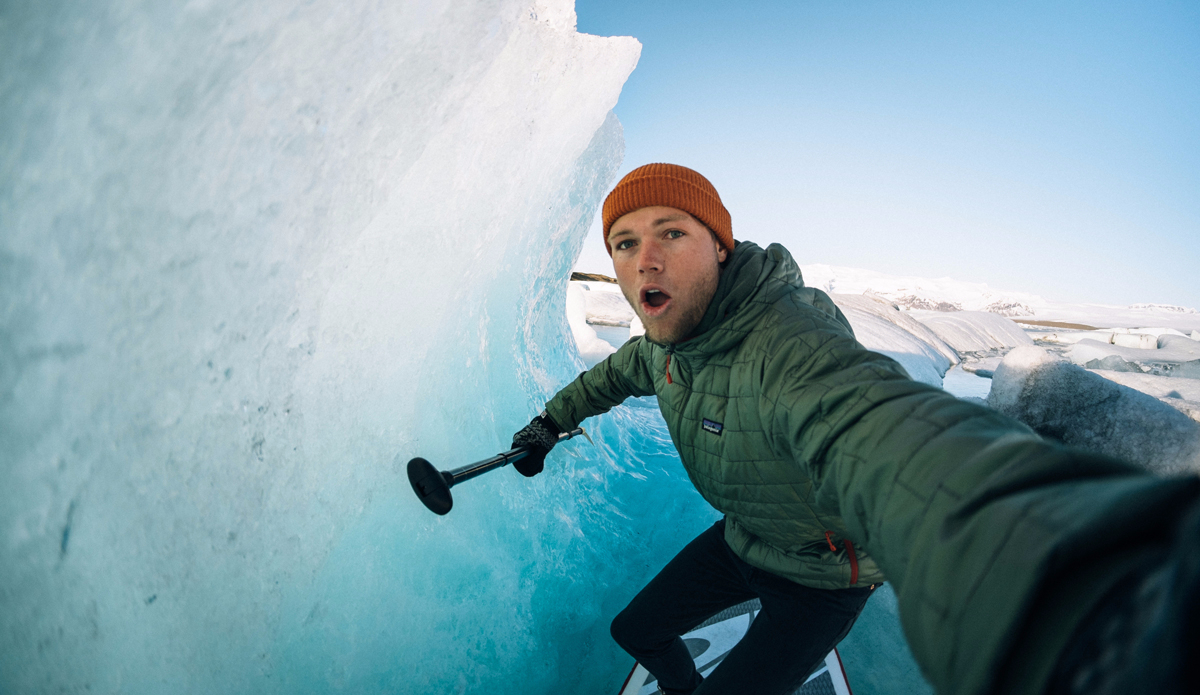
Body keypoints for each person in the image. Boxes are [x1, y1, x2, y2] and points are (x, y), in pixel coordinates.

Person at [510, 163, 1200, 695]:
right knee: (634, 628)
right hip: (745, 538)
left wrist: (1064, 579)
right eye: (624, 242)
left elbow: (879, 431)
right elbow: (609, 377)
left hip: (823, 575)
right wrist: (549, 422)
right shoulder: (667, 345)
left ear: (720, 247)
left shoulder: (788, 340)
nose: (645, 260)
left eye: (672, 232)